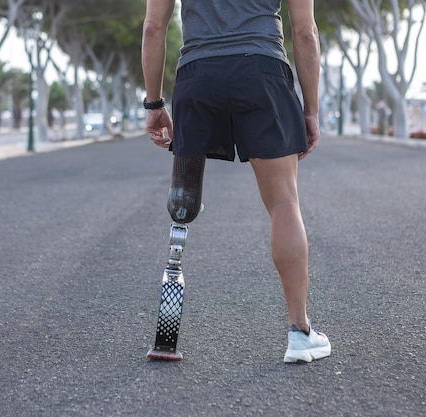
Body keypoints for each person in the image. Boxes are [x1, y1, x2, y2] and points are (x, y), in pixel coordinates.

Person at [142, 0, 331, 363]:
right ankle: (300, 332)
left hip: (197, 77)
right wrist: (310, 110)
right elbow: (305, 34)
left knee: (184, 200)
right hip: (262, 73)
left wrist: (153, 104)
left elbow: (153, 27)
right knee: (284, 203)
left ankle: (166, 335)